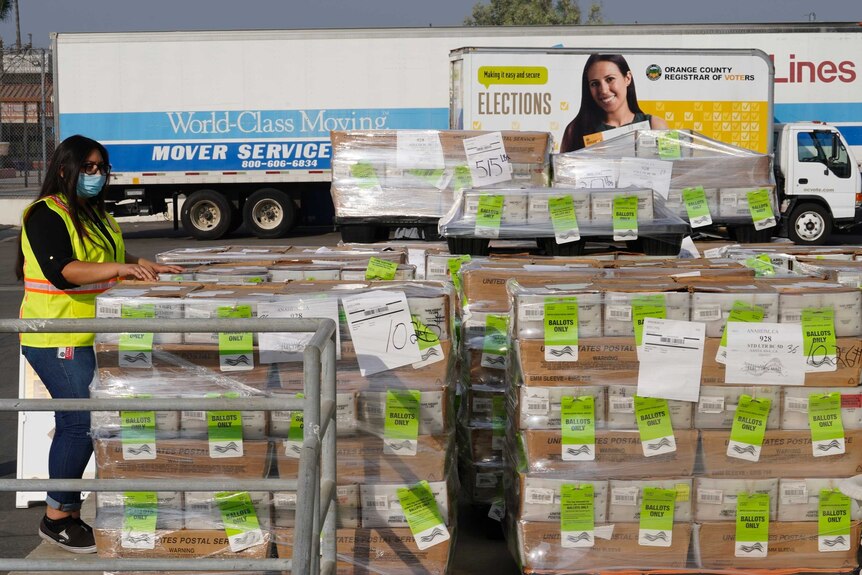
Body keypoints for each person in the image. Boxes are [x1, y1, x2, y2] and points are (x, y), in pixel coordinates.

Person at [16, 135, 183, 553]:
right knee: (80, 423)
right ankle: (57, 518)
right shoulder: (45, 214)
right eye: (88, 168)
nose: (96, 176)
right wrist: (123, 268)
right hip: (56, 336)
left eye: (102, 169)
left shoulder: (94, 213)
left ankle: (67, 511)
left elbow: (116, 253)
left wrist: (146, 266)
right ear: (63, 169)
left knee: (87, 423)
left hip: (91, 334)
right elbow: (64, 271)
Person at [560, 53, 669, 153]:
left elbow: (675, 171)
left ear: (627, 78)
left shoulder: (655, 126)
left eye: (610, 79)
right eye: (594, 84)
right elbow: (562, 172)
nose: (603, 90)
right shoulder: (575, 130)